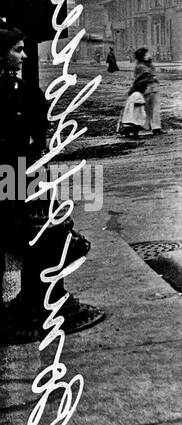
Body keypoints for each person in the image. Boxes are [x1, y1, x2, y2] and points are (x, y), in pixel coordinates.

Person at [0, 26, 105, 343]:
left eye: (23, 48)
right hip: (9, 172)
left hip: (25, 171)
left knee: (39, 228)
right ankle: (36, 302)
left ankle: (39, 296)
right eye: (17, 49)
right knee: (24, 231)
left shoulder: (21, 86)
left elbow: (37, 120)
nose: (24, 54)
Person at [122, 47, 163, 135]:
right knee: (147, 108)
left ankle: (154, 127)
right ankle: (142, 126)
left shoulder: (146, 64)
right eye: (147, 54)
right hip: (147, 88)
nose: (150, 55)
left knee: (152, 108)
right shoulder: (141, 66)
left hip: (151, 88)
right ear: (143, 56)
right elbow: (143, 77)